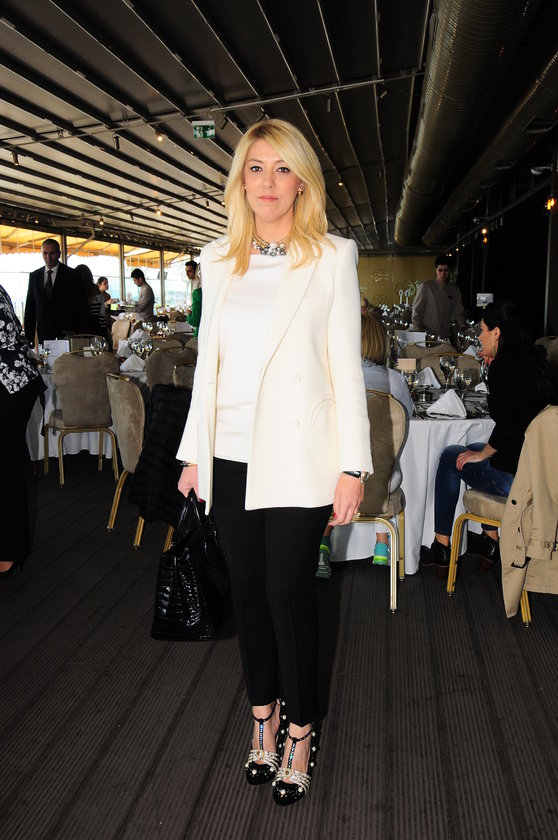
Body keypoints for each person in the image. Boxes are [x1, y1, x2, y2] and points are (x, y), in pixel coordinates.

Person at [176, 118, 372, 806]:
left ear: (302, 182)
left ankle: (301, 728)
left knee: (289, 593)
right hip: (228, 455)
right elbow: (207, 370)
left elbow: (345, 368)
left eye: (281, 168)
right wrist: (193, 454)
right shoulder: (217, 259)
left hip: (299, 458)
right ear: (240, 181)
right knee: (249, 593)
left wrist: (353, 465)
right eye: (255, 168)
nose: (267, 182)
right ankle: (262, 715)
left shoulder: (333, 257)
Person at [420, 300, 558, 576]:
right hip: (542, 473)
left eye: (483, 330)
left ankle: (441, 546)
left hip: (517, 481)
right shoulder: (537, 361)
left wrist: (484, 453)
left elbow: (506, 425)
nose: (479, 337)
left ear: (497, 333)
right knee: (471, 449)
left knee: (450, 456)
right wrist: (482, 451)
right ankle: (489, 539)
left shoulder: (503, 367)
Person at [317, 313, 413, 577]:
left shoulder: (331, 379)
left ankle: (323, 543)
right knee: (384, 464)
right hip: (381, 483)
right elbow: (407, 417)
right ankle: (382, 543)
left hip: (337, 482)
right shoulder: (396, 381)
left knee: (330, 467)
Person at [0, 285, 46, 578]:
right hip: (15, 382)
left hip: (7, 384)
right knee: (8, 466)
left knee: (6, 469)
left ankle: (7, 554)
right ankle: (10, 550)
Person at [24, 238, 88, 344]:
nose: (48, 258)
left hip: (67, 333)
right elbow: (30, 308)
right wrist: (29, 337)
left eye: (52, 253)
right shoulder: (34, 276)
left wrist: (82, 334)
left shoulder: (72, 275)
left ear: (59, 254)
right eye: (45, 253)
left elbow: (81, 306)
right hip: (43, 334)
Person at [412, 254, 465, 339]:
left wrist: (463, 327)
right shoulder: (426, 287)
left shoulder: (455, 290)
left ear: (450, 271)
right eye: (440, 270)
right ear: (436, 270)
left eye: (446, 270)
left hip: (446, 335)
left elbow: (459, 312)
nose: (443, 274)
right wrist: (416, 329)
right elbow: (417, 310)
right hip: (427, 335)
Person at [75, 264, 106, 337]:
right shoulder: (98, 292)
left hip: (81, 331)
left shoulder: (77, 293)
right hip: (98, 330)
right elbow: (102, 314)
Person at [185, 260, 202, 336]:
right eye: (186, 271)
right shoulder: (191, 283)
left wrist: (188, 315)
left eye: (189, 271)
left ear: (196, 271)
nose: (187, 274)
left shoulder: (198, 289)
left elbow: (195, 321)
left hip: (199, 328)